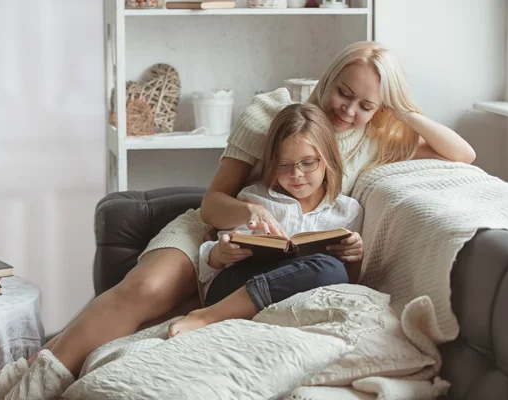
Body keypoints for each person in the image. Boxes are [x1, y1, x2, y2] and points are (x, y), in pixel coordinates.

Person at [33, 41, 476, 378]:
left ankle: (181, 319)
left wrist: (398, 107)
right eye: (344, 93)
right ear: (330, 78)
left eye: (366, 104)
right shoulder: (270, 111)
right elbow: (212, 203)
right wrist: (247, 217)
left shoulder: (378, 135)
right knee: (147, 290)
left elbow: (463, 155)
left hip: (284, 252)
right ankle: (36, 378)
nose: (349, 110)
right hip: (224, 226)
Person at [169, 103, 364, 336]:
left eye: (308, 162)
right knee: (327, 269)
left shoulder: (347, 211)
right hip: (234, 288)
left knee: (331, 270)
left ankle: (255, 314)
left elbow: (348, 282)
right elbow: (213, 266)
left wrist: (355, 257)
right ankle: (208, 316)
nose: (296, 174)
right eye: (285, 165)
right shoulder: (254, 199)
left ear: (327, 158)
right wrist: (220, 254)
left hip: (300, 291)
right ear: (273, 163)